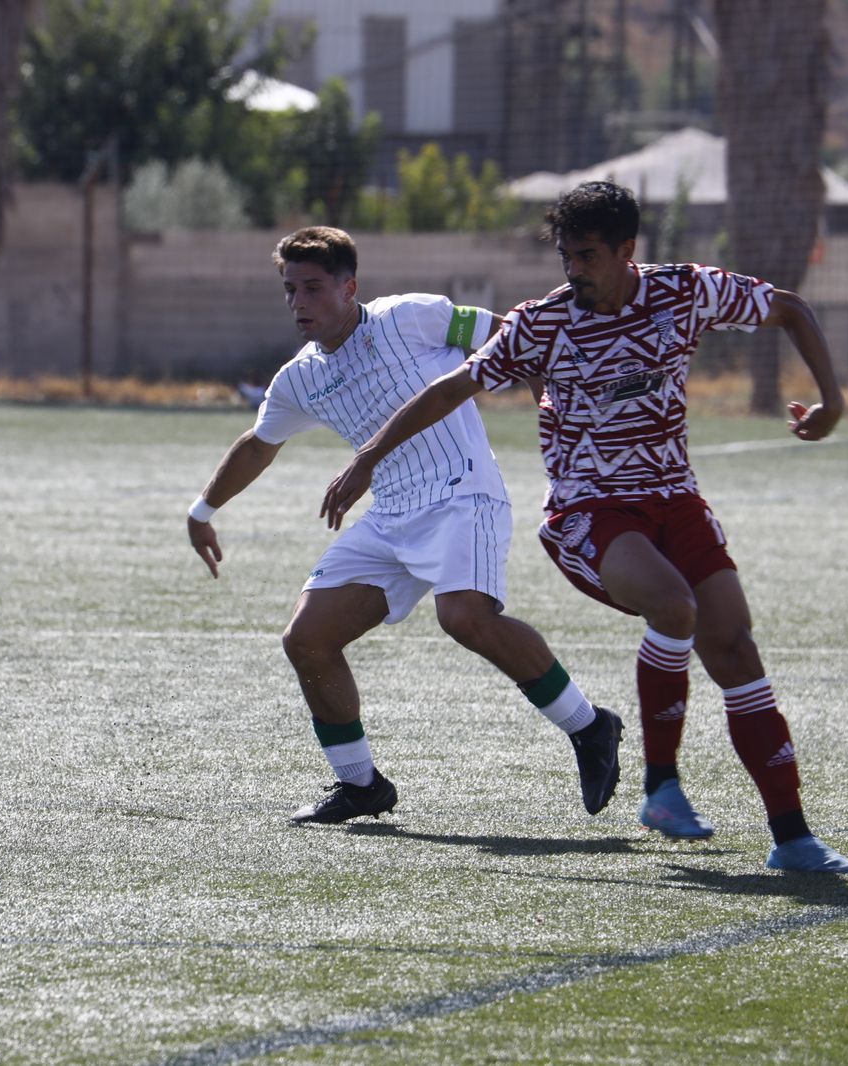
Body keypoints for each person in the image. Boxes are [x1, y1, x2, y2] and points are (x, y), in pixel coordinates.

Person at [321, 183, 848, 874]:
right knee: (675, 606)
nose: (572, 270)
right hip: (589, 512)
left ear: (626, 251)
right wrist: (370, 457)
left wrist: (834, 400)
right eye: (565, 256)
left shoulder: (684, 292)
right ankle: (662, 786)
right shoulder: (541, 323)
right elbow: (453, 387)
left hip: (677, 499)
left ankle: (793, 838)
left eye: (586, 256)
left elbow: (790, 309)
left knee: (734, 646)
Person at [186, 226, 622, 825]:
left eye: (313, 288)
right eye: (290, 290)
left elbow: (511, 335)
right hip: (391, 512)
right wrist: (203, 510)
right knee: (306, 640)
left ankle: (590, 725)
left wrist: (550, 403)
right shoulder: (299, 378)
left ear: (350, 287)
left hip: (462, 491)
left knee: (465, 617)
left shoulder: (412, 316)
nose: (298, 303)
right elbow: (259, 446)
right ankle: (361, 785)